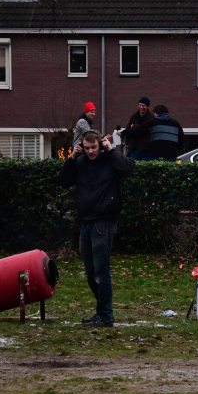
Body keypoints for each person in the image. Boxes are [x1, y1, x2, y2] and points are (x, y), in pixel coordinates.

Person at [59, 130, 135, 328]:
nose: (91, 151)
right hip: (86, 220)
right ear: (81, 147)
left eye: (94, 147)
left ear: (101, 145)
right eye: (86, 148)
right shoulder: (81, 162)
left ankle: (105, 315)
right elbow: (63, 181)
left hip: (104, 220)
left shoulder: (110, 159)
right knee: (91, 270)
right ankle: (102, 311)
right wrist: (72, 159)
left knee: (101, 270)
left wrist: (112, 152)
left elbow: (128, 169)